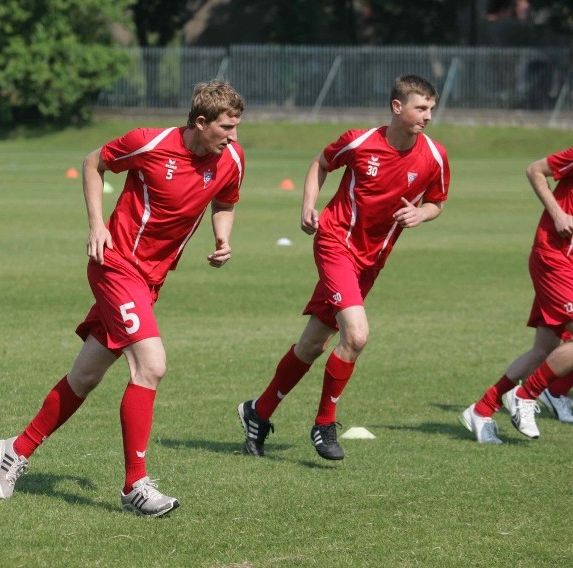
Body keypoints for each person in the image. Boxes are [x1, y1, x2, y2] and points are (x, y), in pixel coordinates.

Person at [0, 80, 245, 516]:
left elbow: (225, 200)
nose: (234, 136)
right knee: (151, 364)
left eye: (237, 126)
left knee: (85, 376)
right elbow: (93, 163)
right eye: (226, 127)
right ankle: (134, 486)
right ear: (201, 123)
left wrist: (223, 237)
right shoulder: (149, 143)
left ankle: (17, 447)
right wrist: (96, 225)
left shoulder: (231, 159)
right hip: (115, 265)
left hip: (150, 282)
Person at [237, 75, 450, 461]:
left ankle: (258, 411)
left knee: (313, 344)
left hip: (371, 261)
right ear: (397, 107)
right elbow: (320, 164)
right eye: (421, 108)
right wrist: (307, 205)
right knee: (357, 336)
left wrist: (422, 213)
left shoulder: (434, 156)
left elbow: (437, 201)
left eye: (432, 108)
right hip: (336, 244)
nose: (429, 116)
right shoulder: (359, 141)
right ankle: (323, 424)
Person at [460, 147, 573, 443]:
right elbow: (534, 169)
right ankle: (526, 396)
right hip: (554, 257)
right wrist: (557, 212)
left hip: (569, 265)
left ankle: (482, 409)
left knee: (545, 349)